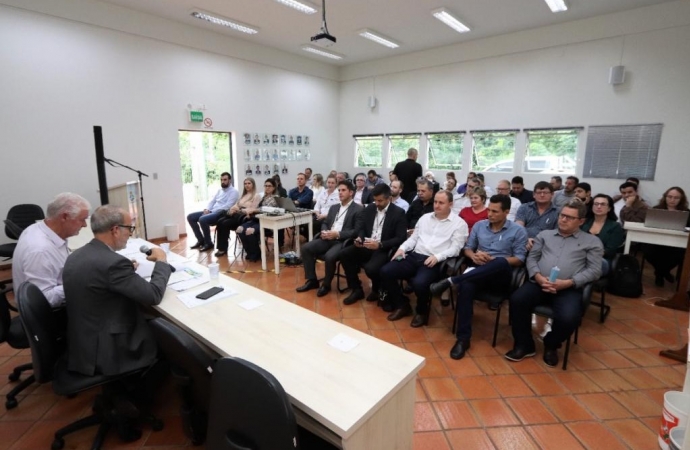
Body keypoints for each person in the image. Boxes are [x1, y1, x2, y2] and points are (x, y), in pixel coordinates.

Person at [63, 205, 172, 377]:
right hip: (109, 349)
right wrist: (162, 261)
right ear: (115, 230)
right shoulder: (113, 264)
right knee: (170, 336)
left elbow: (99, 276)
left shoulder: (76, 255)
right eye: (129, 228)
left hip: (83, 343)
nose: (130, 233)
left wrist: (125, 270)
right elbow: (153, 295)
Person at [505, 199, 603, 367]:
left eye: (569, 217)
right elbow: (532, 258)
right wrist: (536, 276)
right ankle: (525, 345)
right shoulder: (545, 235)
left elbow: (594, 270)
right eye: (562, 215)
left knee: (569, 317)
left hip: (568, 288)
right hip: (539, 283)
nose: (563, 220)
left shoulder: (592, 242)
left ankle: (551, 344)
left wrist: (569, 282)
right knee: (517, 300)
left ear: (581, 221)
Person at [429, 194, 528, 360]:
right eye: (489, 210)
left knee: (500, 262)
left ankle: (452, 280)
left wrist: (494, 260)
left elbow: (519, 259)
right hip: (477, 270)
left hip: (500, 276)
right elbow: (467, 248)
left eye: (495, 211)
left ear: (506, 212)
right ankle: (463, 339)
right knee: (466, 287)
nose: (490, 214)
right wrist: (473, 256)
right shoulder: (479, 226)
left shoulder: (518, 231)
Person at [380, 191, 468, 327]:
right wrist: (402, 249)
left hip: (434, 261)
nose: (437, 206)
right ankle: (402, 304)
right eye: (436, 202)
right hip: (414, 256)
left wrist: (438, 257)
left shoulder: (459, 224)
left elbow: (456, 249)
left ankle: (422, 312)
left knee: (420, 283)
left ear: (451, 204)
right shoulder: (425, 218)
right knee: (386, 270)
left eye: (441, 203)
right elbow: (414, 238)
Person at [12, 192, 90, 307]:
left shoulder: (37, 228)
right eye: (82, 219)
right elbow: (44, 299)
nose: (84, 225)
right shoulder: (40, 250)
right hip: (51, 315)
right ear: (64, 217)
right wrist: (79, 283)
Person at [339, 184, 407, 305]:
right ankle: (356, 289)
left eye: (380, 200)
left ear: (389, 198)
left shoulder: (398, 213)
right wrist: (360, 238)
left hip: (383, 247)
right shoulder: (370, 208)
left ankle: (377, 289)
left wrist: (380, 244)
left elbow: (400, 238)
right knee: (345, 254)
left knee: (371, 268)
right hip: (367, 244)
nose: (377, 203)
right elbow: (361, 228)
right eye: (375, 200)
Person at [296, 180, 364, 297]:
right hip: (328, 238)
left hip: (342, 241)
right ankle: (312, 280)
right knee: (306, 248)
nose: (340, 193)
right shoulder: (334, 207)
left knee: (329, 257)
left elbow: (356, 231)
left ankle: (326, 285)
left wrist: (337, 234)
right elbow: (325, 222)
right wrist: (324, 231)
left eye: (343, 190)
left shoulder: (358, 209)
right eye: (339, 190)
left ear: (351, 192)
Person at [645, 187, 690, 286]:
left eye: (676, 198)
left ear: (681, 199)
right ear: (665, 197)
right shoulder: (657, 209)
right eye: (669, 197)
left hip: (677, 243)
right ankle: (664, 272)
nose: (672, 200)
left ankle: (660, 274)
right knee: (648, 252)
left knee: (680, 255)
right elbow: (648, 223)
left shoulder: (686, 212)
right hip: (657, 241)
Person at [187, 172, 238, 252]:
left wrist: (211, 211)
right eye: (221, 180)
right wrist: (207, 209)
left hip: (221, 214)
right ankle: (201, 240)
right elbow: (212, 201)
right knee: (190, 217)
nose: (223, 182)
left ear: (229, 180)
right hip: (211, 211)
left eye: (225, 180)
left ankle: (208, 243)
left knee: (202, 219)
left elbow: (227, 206)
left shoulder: (234, 192)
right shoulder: (219, 190)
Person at [235, 178, 281, 262]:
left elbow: (267, 209)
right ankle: (250, 252)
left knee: (249, 230)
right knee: (240, 229)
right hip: (256, 219)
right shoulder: (262, 196)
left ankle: (256, 254)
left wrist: (255, 210)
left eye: (269, 186)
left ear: (274, 188)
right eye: (265, 186)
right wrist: (250, 212)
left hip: (267, 222)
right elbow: (253, 207)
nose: (267, 188)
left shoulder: (276, 198)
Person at [214, 178, 261, 257]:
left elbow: (252, 209)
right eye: (245, 184)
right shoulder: (244, 195)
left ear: (253, 184)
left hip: (244, 218)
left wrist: (240, 210)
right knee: (220, 221)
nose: (247, 185)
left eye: (249, 183)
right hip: (236, 214)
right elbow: (236, 205)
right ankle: (221, 248)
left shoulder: (256, 195)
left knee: (225, 223)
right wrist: (232, 209)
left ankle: (223, 249)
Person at [581, 194, 624, 275]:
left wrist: (587, 256)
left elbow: (610, 250)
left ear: (609, 208)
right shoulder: (584, 222)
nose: (599, 206)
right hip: (580, 256)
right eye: (596, 204)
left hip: (602, 259)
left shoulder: (615, 226)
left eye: (603, 204)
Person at [515, 181, 559, 251]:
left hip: (546, 246)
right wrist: (526, 239)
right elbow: (518, 227)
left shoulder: (558, 212)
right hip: (524, 243)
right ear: (534, 195)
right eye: (538, 193)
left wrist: (538, 242)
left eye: (545, 193)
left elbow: (557, 233)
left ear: (552, 194)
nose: (542, 195)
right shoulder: (524, 207)